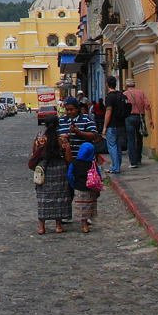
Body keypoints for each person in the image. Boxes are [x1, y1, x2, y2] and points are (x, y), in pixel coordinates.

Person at [59, 97, 103, 232]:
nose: (69, 112)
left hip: (83, 161)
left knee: (84, 188)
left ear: (77, 109)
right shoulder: (62, 121)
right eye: (67, 110)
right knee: (66, 187)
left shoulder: (86, 120)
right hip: (66, 159)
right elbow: (56, 135)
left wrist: (79, 133)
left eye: (71, 109)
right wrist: (62, 138)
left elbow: (94, 135)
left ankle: (86, 214)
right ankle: (66, 213)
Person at [28, 115, 71, 234]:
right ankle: (58, 225)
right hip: (59, 169)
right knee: (59, 197)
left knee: (43, 197)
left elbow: (34, 154)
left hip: (44, 169)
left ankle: (42, 227)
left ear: (45, 125)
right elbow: (68, 157)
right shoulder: (62, 139)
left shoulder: (40, 139)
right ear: (58, 124)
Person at [100, 76, 131, 174]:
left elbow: (108, 112)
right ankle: (117, 165)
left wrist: (104, 127)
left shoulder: (110, 97)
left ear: (107, 84)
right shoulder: (121, 95)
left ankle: (115, 167)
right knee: (117, 146)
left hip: (112, 125)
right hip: (121, 124)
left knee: (112, 146)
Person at [122, 78, 153, 168]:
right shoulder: (141, 93)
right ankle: (139, 158)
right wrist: (150, 119)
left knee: (131, 139)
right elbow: (148, 106)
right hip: (140, 117)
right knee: (139, 138)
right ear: (134, 85)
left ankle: (133, 162)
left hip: (129, 118)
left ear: (126, 85)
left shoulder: (124, 94)